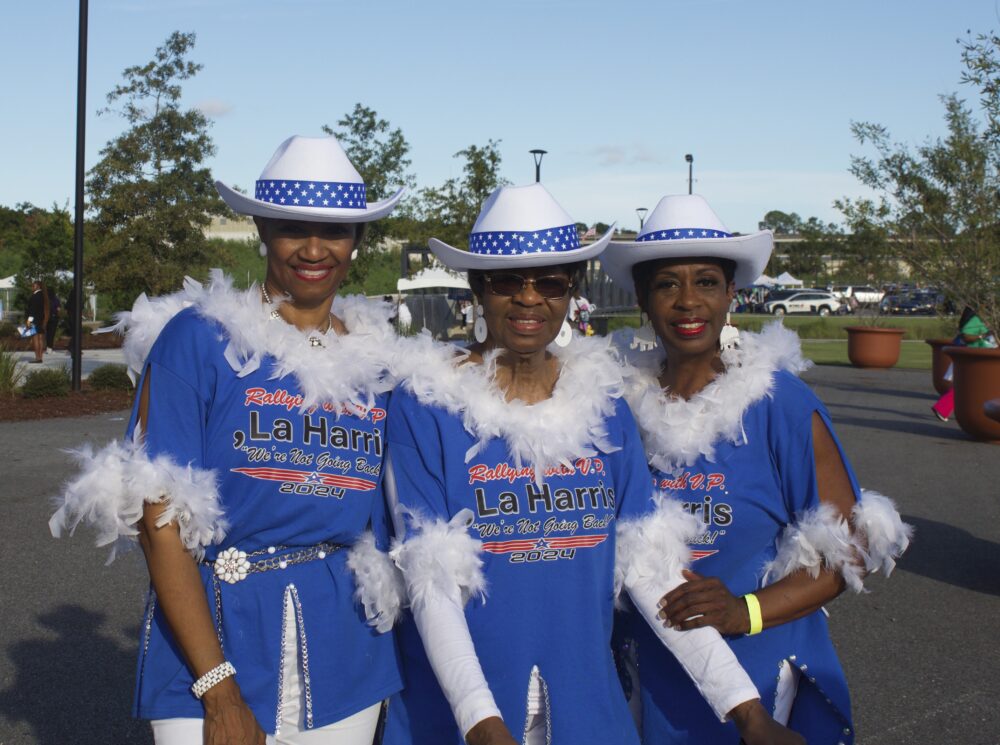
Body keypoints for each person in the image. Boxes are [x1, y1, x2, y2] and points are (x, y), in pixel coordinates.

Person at [382, 184, 801, 745]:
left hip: (587, 707)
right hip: (461, 715)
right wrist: (480, 723)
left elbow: (647, 569)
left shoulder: (604, 405)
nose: (530, 300)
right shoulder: (425, 403)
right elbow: (430, 578)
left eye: (550, 282)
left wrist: (745, 709)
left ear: (569, 292)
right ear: (479, 290)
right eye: (508, 281)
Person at [50, 135, 407, 745]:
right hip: (212, 645)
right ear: (262, 231)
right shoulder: (199, 339)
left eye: (337, 231)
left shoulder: (381, 361)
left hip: (346, 650)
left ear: (357, 242)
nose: (314, 249)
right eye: (293, 227)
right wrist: (219, 690)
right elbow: (158, 519)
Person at [601, 194, 912, 745]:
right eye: (668, 284)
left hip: (761, 674)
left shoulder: (780, 404)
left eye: (706, 282)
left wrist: (742, 611)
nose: (688, 301)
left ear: (731, 297)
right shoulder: (620, 410)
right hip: (651, 676)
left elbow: (848, 550)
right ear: (645, 302)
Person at [931, 307, 997, 422]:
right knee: (967, 386)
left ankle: (943, 408)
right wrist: (982, 336)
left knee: (967, 386)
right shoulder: (975, 320)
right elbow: (966, 336)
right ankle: (943, 408)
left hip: (977, 356)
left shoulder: (978, 320)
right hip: (976, 357)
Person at [25, 280, 49, 363]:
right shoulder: (43, 296)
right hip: (41, 319)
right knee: (40, 339)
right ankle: (40, 357)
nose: (32, 287)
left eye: (33, 286)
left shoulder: (34, 297)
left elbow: (32, 310)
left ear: (38, 286)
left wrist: (29, 321)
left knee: (35, 339)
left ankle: (37, 358)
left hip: (34, 320)